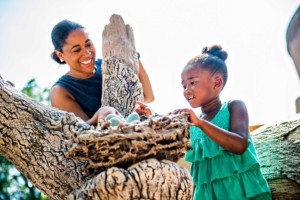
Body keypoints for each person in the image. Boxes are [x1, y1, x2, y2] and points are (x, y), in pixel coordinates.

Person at [173, 45, 271, 199]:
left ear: (217, 82)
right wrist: (149, 116)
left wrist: (200, 123)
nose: (186, 90)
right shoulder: (192, 124)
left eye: (192, 83)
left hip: (245, 195)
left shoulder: (233, 107)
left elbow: (239, 145)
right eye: (184, 85)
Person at [49, 20, 154, 125]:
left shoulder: (109, 63)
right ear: (60, 55)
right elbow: (80, 131)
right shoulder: (60, 91)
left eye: (88, 44)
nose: (87, 53)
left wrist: (131, 54)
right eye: (77, 50)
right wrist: (99, 114)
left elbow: (148, 96)